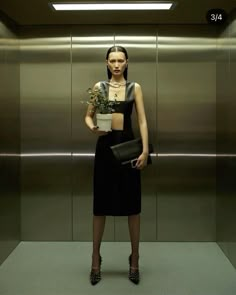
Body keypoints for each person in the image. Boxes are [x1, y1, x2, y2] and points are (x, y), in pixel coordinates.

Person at [84, 45, 149, 285]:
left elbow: (142, 120)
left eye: (121, 60)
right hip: (105, 150)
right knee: (100, 205)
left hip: (128, 150)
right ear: (107, 62)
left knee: (133, 205)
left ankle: (134, 260)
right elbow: (88, 115)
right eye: (112, 60)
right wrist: (92, 127)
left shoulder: (135, 88)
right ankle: (94, 259)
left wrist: (144, 149)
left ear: (127, 62)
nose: (117, 64)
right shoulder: (100, 87)